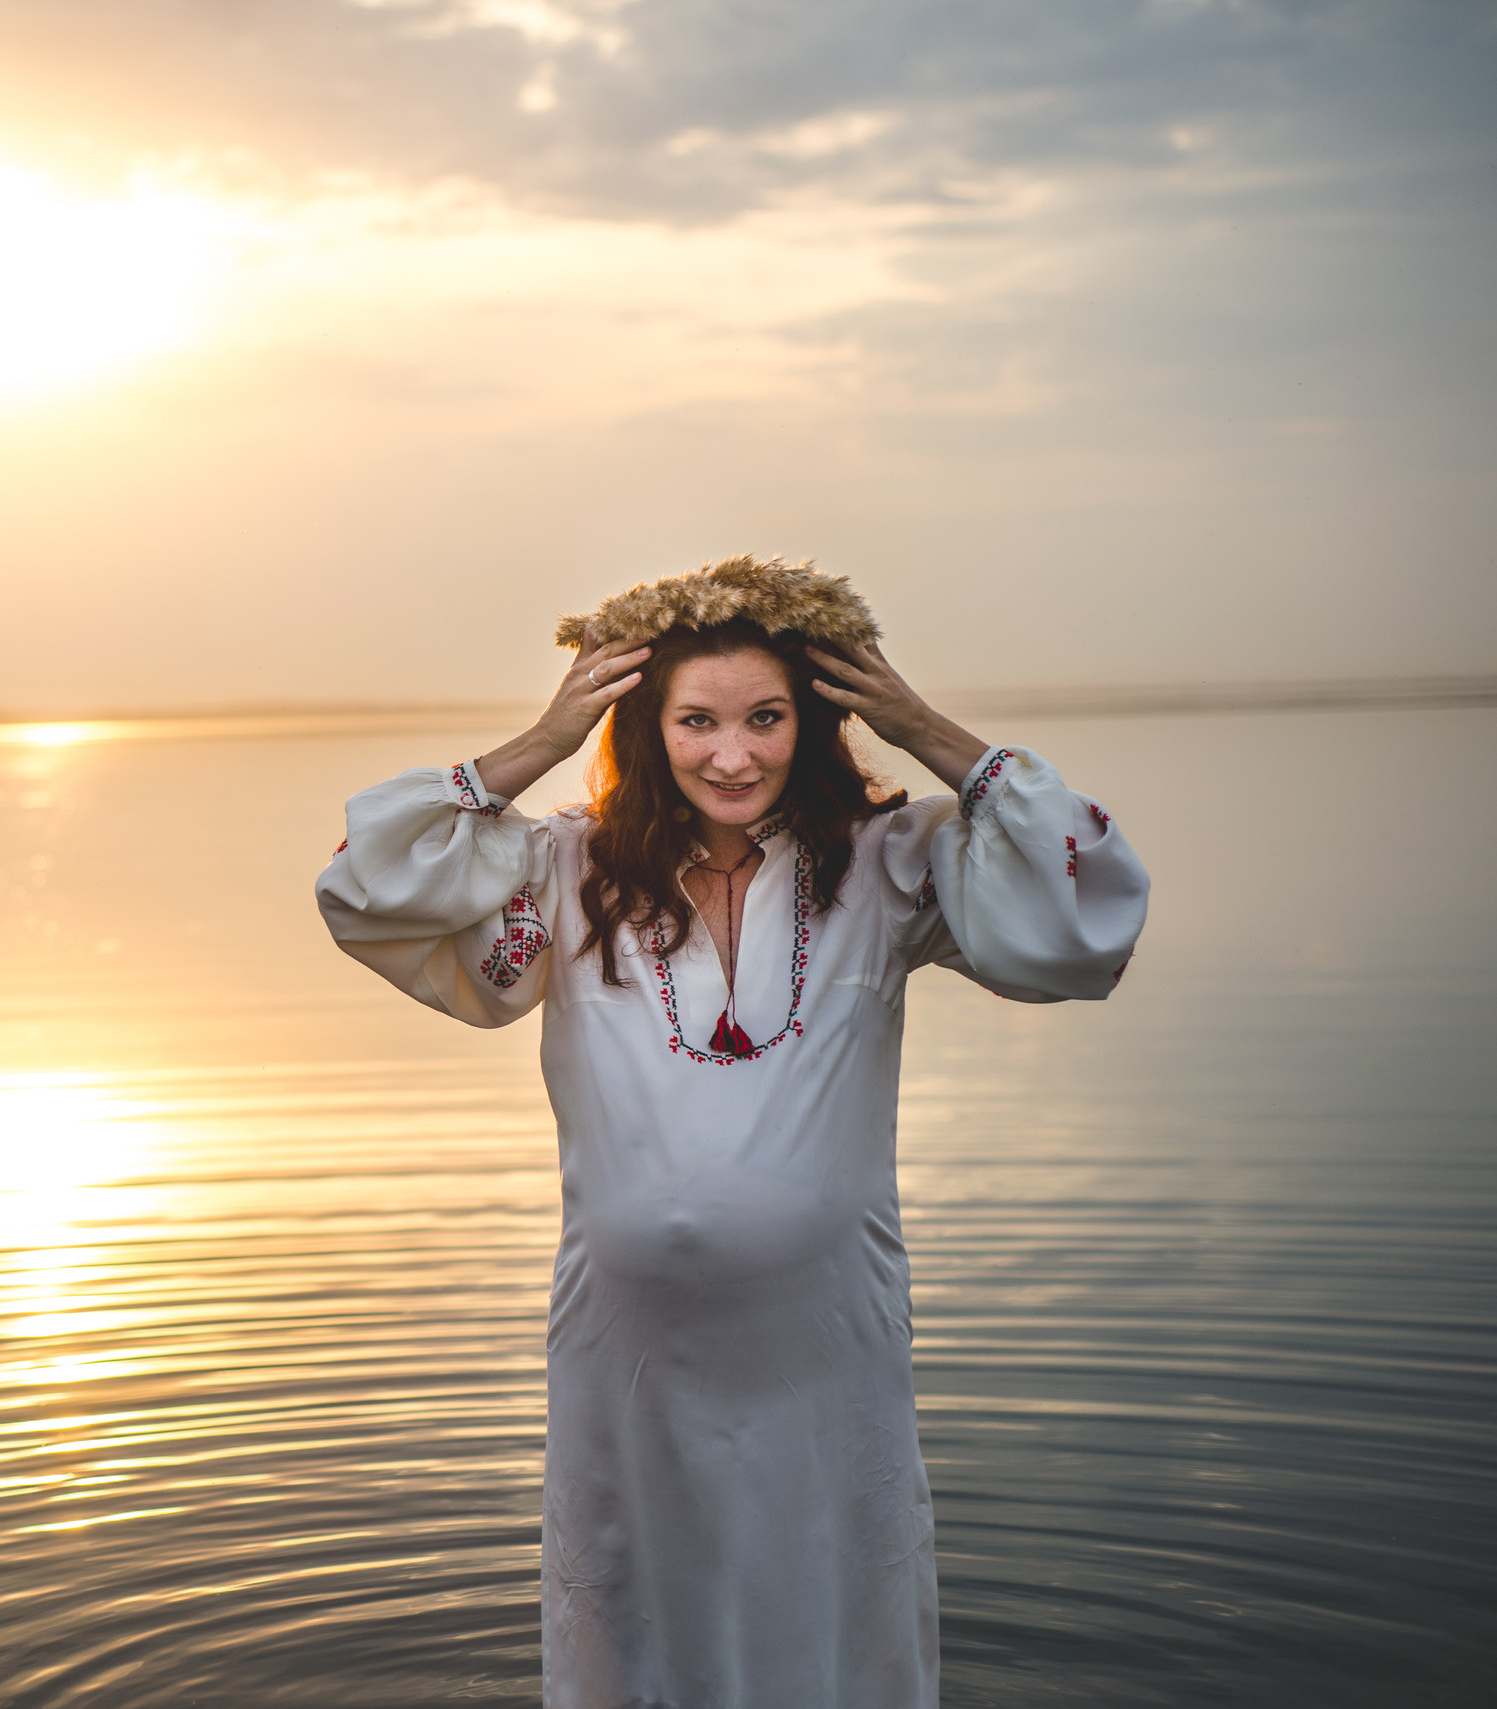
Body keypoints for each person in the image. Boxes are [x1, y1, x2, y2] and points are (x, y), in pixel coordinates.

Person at [316, 556, 1149, 1709]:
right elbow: (366, 887)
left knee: (836, 1607)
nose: (732, 753)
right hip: (624, 1353)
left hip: (827, 1345)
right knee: (630, 1610)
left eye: (766, 718)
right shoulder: (559, 869)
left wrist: (918, 724)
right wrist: (540, 741)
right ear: (645, 729)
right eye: (695, 720)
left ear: (811, 723)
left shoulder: (890, 863)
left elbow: (1082, 916)